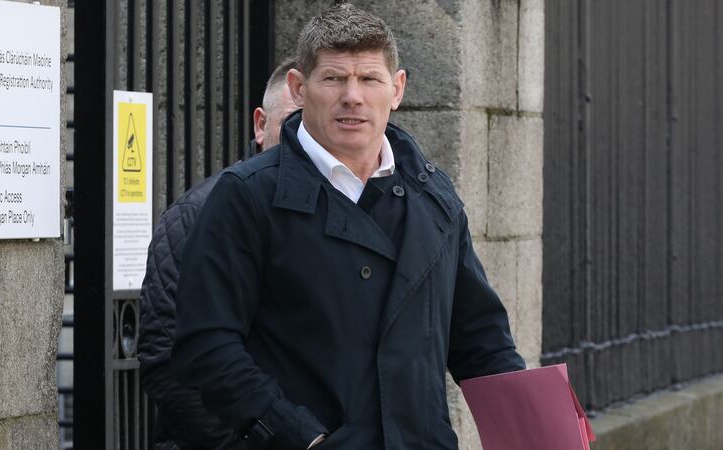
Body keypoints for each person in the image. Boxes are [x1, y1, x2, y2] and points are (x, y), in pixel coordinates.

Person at [172, 4, 525, 449]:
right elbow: (206, 346)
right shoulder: (245, 196)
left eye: (370, 79)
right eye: (334, 79)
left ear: (397, 89)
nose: (352, 96)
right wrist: (300, 437)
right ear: (300, 88)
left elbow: (481, 341)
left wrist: (539, 428)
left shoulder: (436, 198)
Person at [137, 58, 299, 450]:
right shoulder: (197, 215)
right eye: (293, 125)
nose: (304, 142)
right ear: (260, 125)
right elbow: (167, 356)